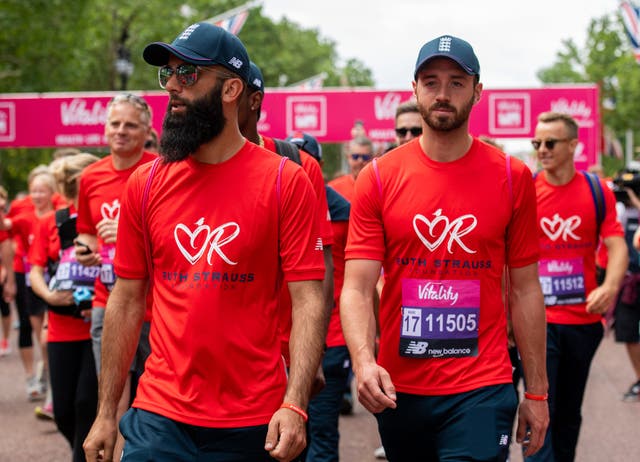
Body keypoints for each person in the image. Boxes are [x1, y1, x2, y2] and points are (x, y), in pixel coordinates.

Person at [83, 22, 327, 462]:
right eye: (169, 74)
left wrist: (295, 404)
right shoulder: (147, 180)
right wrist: (105, 414)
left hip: (254, 416)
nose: (173, 87)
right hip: (158, 412)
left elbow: (308, 298)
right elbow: (127, 297)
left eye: (189, 75)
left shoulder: (284, 180)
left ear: (232, 88)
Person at [340, 35, 549, 461]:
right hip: (401, 389)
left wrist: (538, 392)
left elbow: (526, 289)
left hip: (482, 384)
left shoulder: (512, 177)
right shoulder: (379, 178)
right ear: (414, 89)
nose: (442, 93)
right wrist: (363, 363)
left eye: (457, 82)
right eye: (431, 81)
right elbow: (357, 287)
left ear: (477, 92)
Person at [529, 111, 627, 462]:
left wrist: (610, 287)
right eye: (536, 143)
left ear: (573, 145)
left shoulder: (595, 190)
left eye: (550, 142)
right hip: (539, 323)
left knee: (569, 412)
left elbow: (616, 244)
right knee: (541, 407)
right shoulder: (527, 192)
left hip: (584, 323)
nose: (542, 149)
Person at [238, 61, 334, 372]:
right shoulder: (188, 169)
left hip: (283, 349)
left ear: (253, 101)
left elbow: (323, 262)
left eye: (230, 93)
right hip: (208, 357)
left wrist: (314, 348)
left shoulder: (300, 166)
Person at [29, 153, 100, 462]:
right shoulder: (51, 221)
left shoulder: (105, 218)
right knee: (62, 411)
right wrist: (49, 296)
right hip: (61, 325)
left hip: (97, 323)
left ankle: (81, 456)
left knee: (86, 402)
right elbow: (35, 269)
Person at [287, 131, 352, 462]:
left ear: (318, 165)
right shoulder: (282, 201)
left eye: (304, 157)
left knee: (322, 430)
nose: (298, 164)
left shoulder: (344, 212)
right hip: (289, 336)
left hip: (333, 337)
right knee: (290, 431)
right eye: (292, 156)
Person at [328, 136, 374, 202]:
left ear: (372, 158)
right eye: (355, 156)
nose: (360, 161)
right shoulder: (333, 188)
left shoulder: (380, 188)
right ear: (348, 157)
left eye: (365, 157)